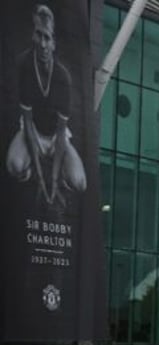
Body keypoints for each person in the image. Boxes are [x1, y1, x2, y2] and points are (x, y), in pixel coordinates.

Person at [6, 4, 87, 206]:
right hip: (32, 130)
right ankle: (33, 169)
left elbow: (60, 134)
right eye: (39, 35)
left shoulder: (62, 76)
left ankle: (57, 174)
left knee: (80, 182)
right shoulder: (24, 64)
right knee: (14, 165)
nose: (42, 44)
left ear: (54, 43)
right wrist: (41, 180)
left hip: (55, 136)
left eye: (47, 38)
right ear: (33, 35)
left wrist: (53, 181)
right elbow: (27, 121)